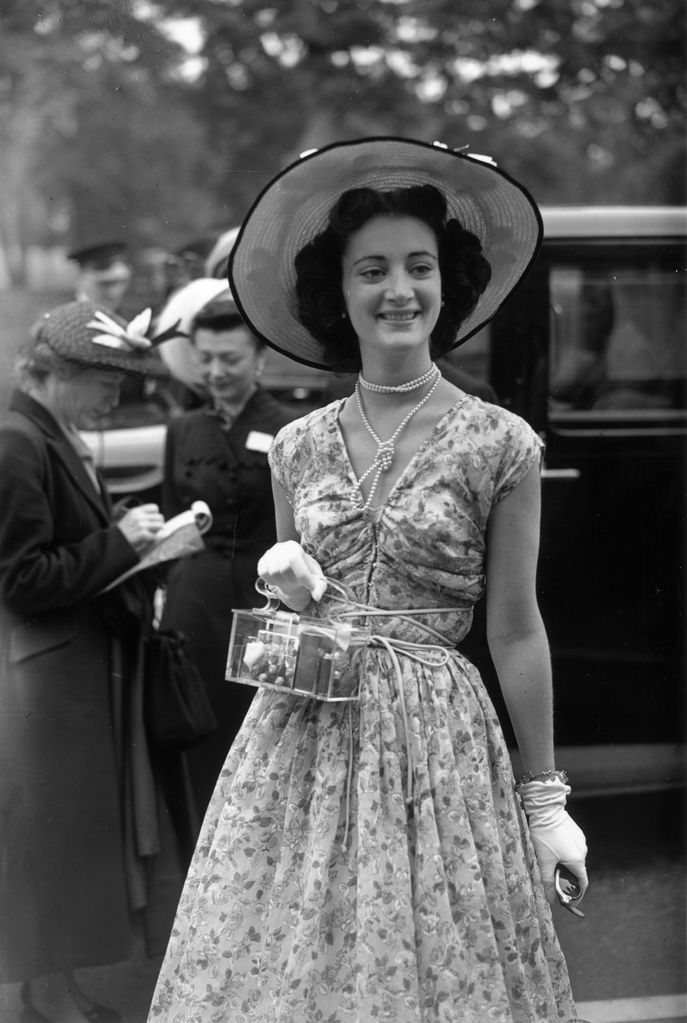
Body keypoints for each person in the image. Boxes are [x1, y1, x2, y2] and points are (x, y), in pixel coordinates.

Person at [148, 138, 589, 1023]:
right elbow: (289, 618)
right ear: (336, 293)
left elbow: (514, 627)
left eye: (419, 266)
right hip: (303, 738)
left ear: (446, 282)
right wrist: (291, 587)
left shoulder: (499, 442)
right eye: (372, 270)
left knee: (436, 971)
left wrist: (542, 799)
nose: (399, 290)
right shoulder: (299, 444)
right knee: (289, 964)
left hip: (441, 746)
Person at [0, 301, 192, 1023]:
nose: (117, 396)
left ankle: (55, 989)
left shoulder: (44, 433)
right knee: (51, 842)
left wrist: (139, 545)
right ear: (61, 374)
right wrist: (121, 542)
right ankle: (46, 997)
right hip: (44, 684)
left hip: (62, 675)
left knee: (66, 838)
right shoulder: (19, 444)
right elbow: (20, 581)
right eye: (107, 380)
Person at [158, 289, 299, 820]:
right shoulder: (182, 429)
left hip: (263, 608)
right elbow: (175, 521)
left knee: (264, 741)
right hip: (193, 609)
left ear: (260, 360)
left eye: (230, 359)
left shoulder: (291, 427)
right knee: (200, 733)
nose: (216, 372)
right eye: (206, 359)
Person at [67, 240, 132, 313]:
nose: (114, 293)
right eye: (105, 284)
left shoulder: (130, 317)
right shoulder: (62, 317)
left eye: (119, 283)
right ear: (82, 279)